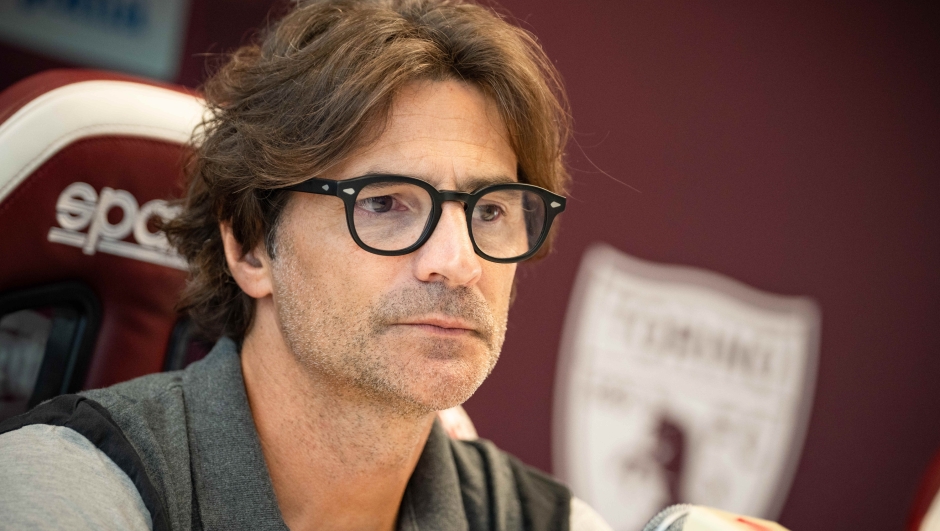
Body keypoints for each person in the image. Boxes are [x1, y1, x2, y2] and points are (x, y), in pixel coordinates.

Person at [0, 1, 612, 530]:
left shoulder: (550, 522)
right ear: (251, 246)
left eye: (490, 212)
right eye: (384, 203)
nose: (458, 263)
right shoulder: (68, 493)